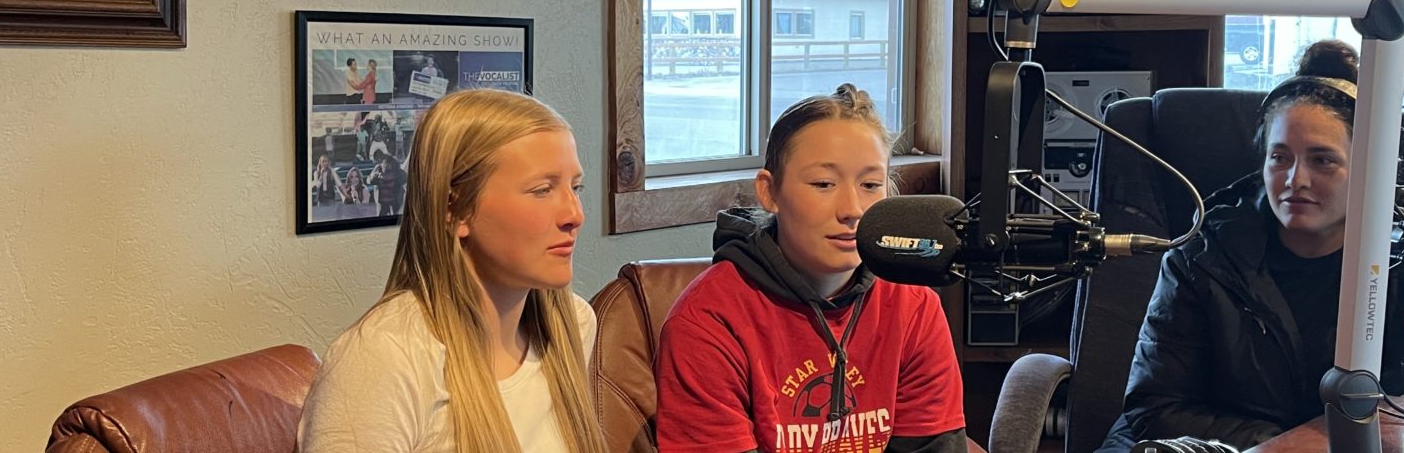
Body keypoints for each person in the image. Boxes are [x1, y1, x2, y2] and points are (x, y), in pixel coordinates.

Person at [1098, 41, 1404, 452]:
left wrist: (1380, 429)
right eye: (1280, 158)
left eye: (1322, 160)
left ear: (1373, 167)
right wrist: (1297, 444)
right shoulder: (1202, 256)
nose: (1295, 180)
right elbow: (1154, 406)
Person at [656, 84, 969, 452]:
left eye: (870, 184)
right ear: (769, 192)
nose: (852, 209)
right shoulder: (708, 322)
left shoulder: (913, 306)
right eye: (823, 184)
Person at [299, 89, 604, 452]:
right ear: (453, 210)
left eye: (575, 187)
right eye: (542, 190)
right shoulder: (385, 358)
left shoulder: (573, 325)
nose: (574, 215)